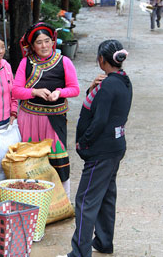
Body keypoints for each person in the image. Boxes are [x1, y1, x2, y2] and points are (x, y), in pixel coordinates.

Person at [57, 40, 132, 257]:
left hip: (101, 151)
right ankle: (104, 242)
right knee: (107, 196)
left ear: (101, 60)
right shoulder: (123, 80)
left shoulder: (108, 85)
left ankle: (79, 252)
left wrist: (83, 142)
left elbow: (98, 121)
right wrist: (93, 88)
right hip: (115, 147)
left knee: (85, 200)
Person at [12, 22, 80, 198]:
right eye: (39, 42)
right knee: (31, 162)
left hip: (54, 119)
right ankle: (32, 199)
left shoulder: (64, 61)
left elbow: (75, 88)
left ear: (53, 41)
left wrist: (59, 92)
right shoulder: (25, 63)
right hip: (29, 118)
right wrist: (34, 91)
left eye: (47, 41)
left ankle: (62, 200)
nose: (44, 46)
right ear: (32, 45)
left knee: (58, 159)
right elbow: (16, 90)